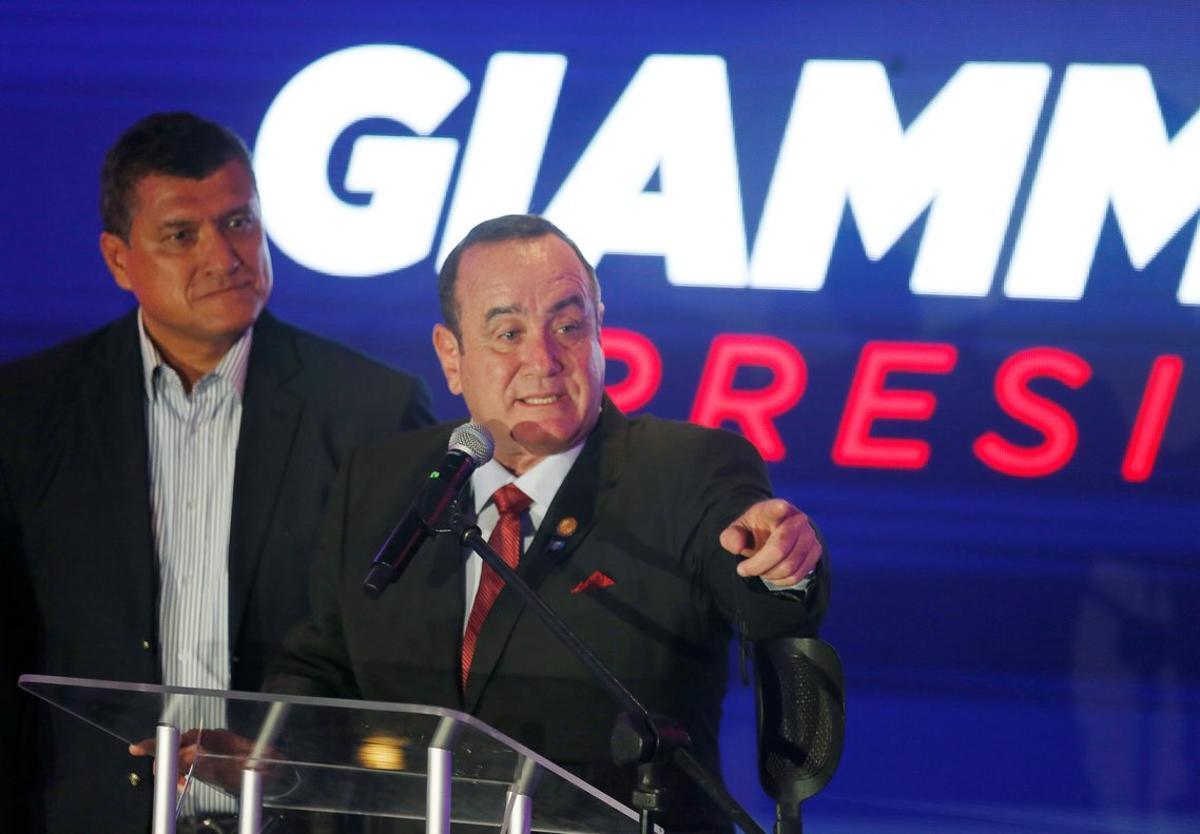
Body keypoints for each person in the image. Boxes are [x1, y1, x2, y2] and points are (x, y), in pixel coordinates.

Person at [264, 214, 829, 832]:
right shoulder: (380, 480)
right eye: (508, 333)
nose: (544, 360)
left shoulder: (689, 470)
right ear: (451, 356)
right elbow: (322, 667)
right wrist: (269, 747)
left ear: (598, 330)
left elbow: (768, 603)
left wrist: (780, 565)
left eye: (567, 325)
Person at [0, 112, 435, 833]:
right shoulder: (28, 414)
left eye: (240, 222)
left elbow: (398, 665)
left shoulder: (372, 411)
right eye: (182, 235)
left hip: (294, 819)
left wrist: (287, 761)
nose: (225, 254)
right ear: (118, 258)